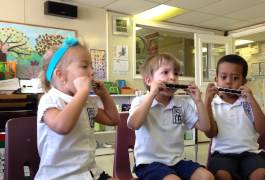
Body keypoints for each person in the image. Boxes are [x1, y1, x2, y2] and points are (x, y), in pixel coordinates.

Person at [36, 36, 120, 179]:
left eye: (91, 66)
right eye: (85, 66)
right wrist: (82, 93)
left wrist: (104, 95)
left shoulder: (85, 102)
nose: (92, 72)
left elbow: (113, 119)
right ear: (60, 74)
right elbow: (62, 126)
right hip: (60, 176)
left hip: (90, 172)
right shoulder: (50, 99)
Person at [128, 53, 215, 180]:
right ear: (148, 80)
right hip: (149, 163)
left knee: (206, 177)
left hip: (177, 161)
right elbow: (134, 124)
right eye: (165, 72)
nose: (173, 77)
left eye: (176, 73)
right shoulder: (140, 101)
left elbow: (206, 127)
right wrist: (151, 94)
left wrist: (198, 101)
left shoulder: (181, 104)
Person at [204, 54, 265, 180]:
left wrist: (251, 100)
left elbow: (264, 130)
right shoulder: (213, 104)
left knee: (260, 175)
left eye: (235, 78)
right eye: (223, 77)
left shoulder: (250, 102)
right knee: (222, 175)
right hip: (222, 154)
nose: (228, 82)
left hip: (250, 154)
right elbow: (210, 133)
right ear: (216, 79)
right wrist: (207, 101)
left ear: (243, 82)